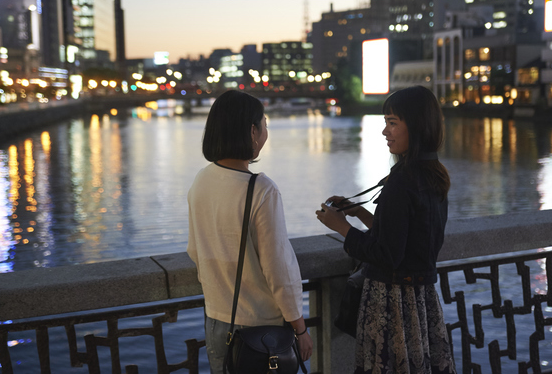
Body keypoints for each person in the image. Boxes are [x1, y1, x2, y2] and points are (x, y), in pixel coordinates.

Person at [316, 86, 456, 374]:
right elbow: (406, 237)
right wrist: (361, 213)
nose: (385, 131)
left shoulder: (402, 180)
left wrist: (341, 227)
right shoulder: (432, 172)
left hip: (392, 301)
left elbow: (387, 254)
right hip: (421, 297)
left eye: (392, 122)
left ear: (415, 126)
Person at [187, 90, 313, 373]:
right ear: (252, 131)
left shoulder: (202, 180)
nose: (266, 131)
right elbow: (278, 268)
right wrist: (300, 327)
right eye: (265, 123)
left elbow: (195, 250)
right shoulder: (261, 190)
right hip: (260, 330)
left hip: (217, 320)